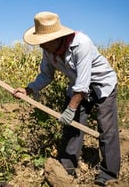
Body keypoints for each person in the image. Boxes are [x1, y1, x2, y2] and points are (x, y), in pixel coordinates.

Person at [13, 11, 120, 186]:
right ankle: (66, 168)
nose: (41, 46)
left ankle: (109, 174)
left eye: (44, 42)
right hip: (78, 85)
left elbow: (83, 84)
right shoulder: (49, 50)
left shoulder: (81, 44)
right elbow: (46, 75)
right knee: (72, 128)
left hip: (102, 85)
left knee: (106, 129)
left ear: (57, 38)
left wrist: (70, 109)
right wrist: (28, 89)